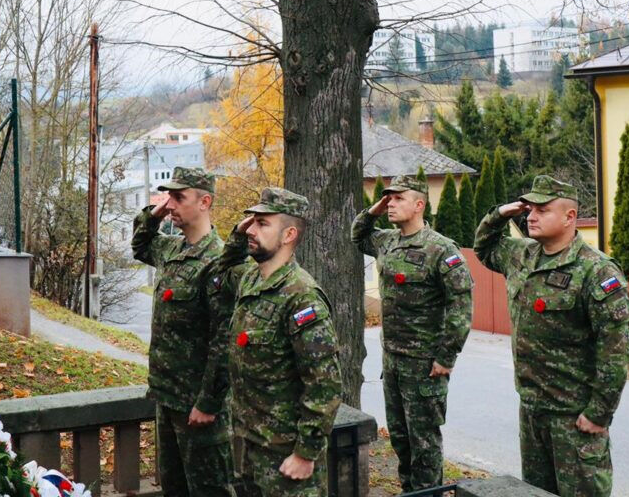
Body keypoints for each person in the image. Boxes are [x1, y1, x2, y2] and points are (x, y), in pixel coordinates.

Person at [474, 175, 629, 497]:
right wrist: (502, 213)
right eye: (529, 209)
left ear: (570, 216)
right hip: (532, 408)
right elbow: (484, 247)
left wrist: (598, 413)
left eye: (542, 209)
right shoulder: (522, 255)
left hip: (574, 416)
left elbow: (616, 350)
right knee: (535, 492)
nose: (531, 216)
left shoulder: (597, 271)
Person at [352, 173, 473, 491]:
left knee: (424, 444)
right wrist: (375, 208)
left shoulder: (440, 250)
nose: (391, 202)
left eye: (399, 198)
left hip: (424, 365)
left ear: (419, 204)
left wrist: (446, 357)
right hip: (392, 362)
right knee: (401, 439)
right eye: (389, 198)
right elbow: (358, 234)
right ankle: (409, 491)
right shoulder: (387, 241)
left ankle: (428, 493)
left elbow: (461, 307)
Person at [217, 187, 342, 497]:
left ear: (288, 235)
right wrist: (238, 233)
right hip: (249, 446)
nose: (252, 229)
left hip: (285, 456)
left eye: (262, 223)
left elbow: (325, 385)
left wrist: (305, 453)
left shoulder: (302, 298)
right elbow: (222, 269)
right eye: (251, 221)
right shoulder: (251, 279)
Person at [131, 166, 233, 497]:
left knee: (209, 490)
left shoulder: (219, 261)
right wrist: (158, 211)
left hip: (198, 406)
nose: (171, 204)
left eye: (179, 197)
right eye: (168, 197)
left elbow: (224, 341)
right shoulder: (171, 250)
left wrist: (208, 402)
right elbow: (140, 244)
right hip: (168, 397)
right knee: (174, 487)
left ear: (205, 202)